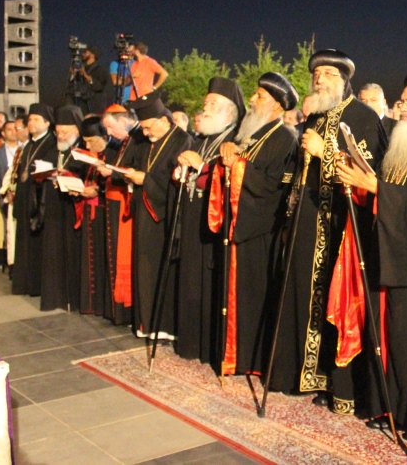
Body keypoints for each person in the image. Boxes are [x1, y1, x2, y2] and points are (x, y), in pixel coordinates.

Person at [267, 49, 386, 417]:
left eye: (329, 74)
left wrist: (325, 153)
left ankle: (338, 382)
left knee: (334, 302)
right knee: (303, 295)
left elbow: (366, 174)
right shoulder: (314, 115)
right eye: (316, 74)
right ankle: (307, 373)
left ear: (344, 80)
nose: (320, 79)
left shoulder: (362, 117)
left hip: (339, 226)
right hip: (305, 220)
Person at [336, 69, 407, 441]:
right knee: (383, 333)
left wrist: (374, 187)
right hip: (386, 247)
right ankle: (387, 405)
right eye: (401, 101)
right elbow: (387, 185)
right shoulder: (400, 140)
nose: (402, 108)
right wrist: (360, 179)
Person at [213, 72, 299, 376]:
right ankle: (235, 354)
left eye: (260, 97)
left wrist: (236, 165)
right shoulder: (252, 133)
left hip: (262, 229)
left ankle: (250, 359)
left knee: (254, 297)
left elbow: (271, 186)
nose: (252, 100)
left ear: (277, 107)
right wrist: (230, 155)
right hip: (243, 223)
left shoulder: (285, 138)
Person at [173, 77, 246, 365]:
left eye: (212, 105)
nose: (204, 109)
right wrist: (180, 169)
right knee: (190, 280)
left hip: (216, 224)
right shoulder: (201, 139)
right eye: (205, 103)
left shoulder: (236, 140)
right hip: (193, 218)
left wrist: (201, 168)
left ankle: (207, 345)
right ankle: (189, 341)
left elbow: (232, 180)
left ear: (229, 112)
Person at [124, 94, 191, 338]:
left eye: (148, 127)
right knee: (144, 269)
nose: (145, 132)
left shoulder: (183, 141)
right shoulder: (147, 142)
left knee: (162, 269)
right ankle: (146, 324)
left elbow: (176, 181)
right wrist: (132, 176)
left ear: (164, 120)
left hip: (167, 216)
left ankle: (164, 327)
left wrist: (146, 180)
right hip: (145, 212)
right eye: (142, 127)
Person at [98, 104, 143, 325]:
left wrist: (112, 172)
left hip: (127, 204)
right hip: (115, 201)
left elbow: (134, 170)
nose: (108, 133)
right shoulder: (126, 139)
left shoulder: (138, 139)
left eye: (110, 127)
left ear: (124, 120)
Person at [40, 105, 85, 312]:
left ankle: (74, 298)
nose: (60, 135)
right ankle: (55, 296)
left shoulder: (83, 151)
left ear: (77, 130)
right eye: (58, 131)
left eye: (65, 132)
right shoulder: (52, 149)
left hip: (74, 209)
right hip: (53, 209)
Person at [11, 104, 57, 297]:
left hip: (38, 203)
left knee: (37, 243)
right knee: (23, 242)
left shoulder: (51, 144)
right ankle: (23, 283)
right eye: (30, 119)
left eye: (36, 119)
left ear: (47, 122)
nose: (31, 123)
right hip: (24, 199)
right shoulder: (29, 145)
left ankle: (36, 285)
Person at [71, 116, 111, 315]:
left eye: (90, 141)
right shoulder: (88, 156)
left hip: (104, 214)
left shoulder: (111, 154)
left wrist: (98, 190)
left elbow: (112, 182)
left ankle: (100, 304)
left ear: (103, 136)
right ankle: (89, 304)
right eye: (85, 141)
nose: (87, 145)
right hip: (88, 212)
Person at [0, 121, 20, 265]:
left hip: (22, 197)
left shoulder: (25, 149)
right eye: (9, 129)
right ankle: (9, 261)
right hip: (5, 198)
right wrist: (2, 194)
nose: (13, 132)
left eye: (15, 129)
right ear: (3, 133)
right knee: (7, 231)